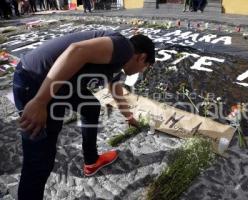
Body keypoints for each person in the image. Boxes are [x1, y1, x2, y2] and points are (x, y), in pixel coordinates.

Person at [13, 30, 155, 200]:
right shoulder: (124, 47)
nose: (142, 71)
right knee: (39, 162)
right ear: (141, 57)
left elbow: (116, 91)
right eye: (145, 67)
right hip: (36, 81)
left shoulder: (118, 62)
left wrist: (128, 117)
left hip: (60, 86)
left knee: (91, 107)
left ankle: (91, 160)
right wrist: (40, 101)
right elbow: (76, 50)